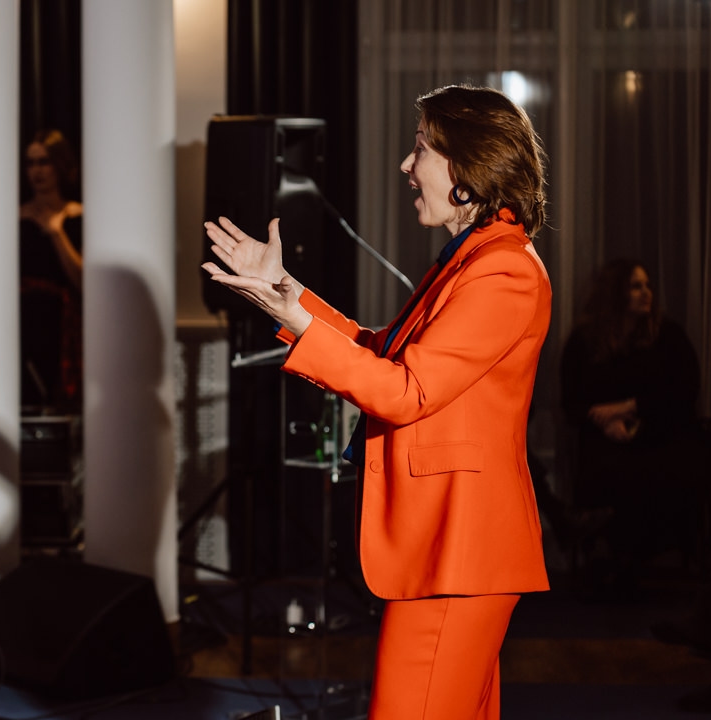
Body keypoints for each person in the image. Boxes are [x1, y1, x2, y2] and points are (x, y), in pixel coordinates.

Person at [203, 85, 551, 719]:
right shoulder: (471, 261)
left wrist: (299, 322)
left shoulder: (503, 271)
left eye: (420, 150)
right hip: (450, 551)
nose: (405, 166)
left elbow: (405, 391)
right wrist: (286, 293)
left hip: (459, 551)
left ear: (467, 170)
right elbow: (383, 352)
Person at [560, 258, 705, 592]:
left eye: (648, 285)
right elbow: (573, 403)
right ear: (616, 293)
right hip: (603, 438)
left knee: (656, 469)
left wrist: (629, 409)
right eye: (636, 286)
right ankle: (616, 564)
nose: (646, 293)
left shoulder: (667, 336)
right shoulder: (586, 341)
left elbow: (684, 391)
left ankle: (631, 564)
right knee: (609, 467)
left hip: (660, 433)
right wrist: (605, 422)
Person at [19, 128, 83, 412]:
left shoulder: (78, 216)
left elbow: (83, 281)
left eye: (44, 161)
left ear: (60, 164)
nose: (37, 171)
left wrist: (57, 233)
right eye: (31, 163)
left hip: (64, 321)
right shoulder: (15, 217)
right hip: (23, 319)